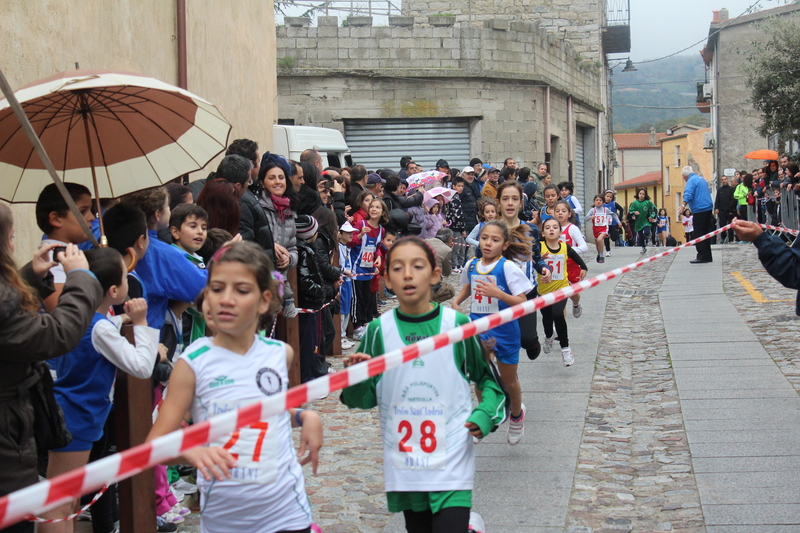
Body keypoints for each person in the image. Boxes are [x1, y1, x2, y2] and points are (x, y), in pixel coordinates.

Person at [146, 242, 323, 533]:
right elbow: (157, 444)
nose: (226, 299)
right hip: (227, 520)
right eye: (216, 288)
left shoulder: (280, 354)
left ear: (264, 301)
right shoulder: (193, 363)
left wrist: (304, 417)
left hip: (288, 512)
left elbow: (261, 411)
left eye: (241, 290)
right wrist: (192, 451)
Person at [341, 237, 507, 533]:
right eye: (397, 268)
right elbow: (361, 399)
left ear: (434, 275)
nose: (407, 274)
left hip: (452, 459)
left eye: (417, 266)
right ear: (387, 280)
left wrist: (484, 415)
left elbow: (489, 382)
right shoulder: (379, 331)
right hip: (405, 465)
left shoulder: (456, 325)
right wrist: (358, 376)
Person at [0, 204, 102, 533]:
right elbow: (58, 335)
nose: (14, 245)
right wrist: (81, 278)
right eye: (12, 238)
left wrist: (32, 275)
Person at [42, 248, 158, 533]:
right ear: (115, 290)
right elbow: (142, 366)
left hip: (68, 414)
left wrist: (122, 320)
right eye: (126, 276)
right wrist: (142, 322)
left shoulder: (77, 318)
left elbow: (100, 328)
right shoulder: (100, 330)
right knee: (59, 505)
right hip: (78, 419)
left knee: (64, 502)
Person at [453, 220, 533, 444]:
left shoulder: (507, 267)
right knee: (480, 377)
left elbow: (522, 301)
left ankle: (516, 415)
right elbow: (469, 285)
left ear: (505, 245)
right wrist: (457, 301)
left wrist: (498, 294)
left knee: (508, 381)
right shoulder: (472, 264)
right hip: (479, 327)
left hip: (505, 331)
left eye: (495, 240)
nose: (488, 243)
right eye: (484, 238)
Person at [123, 186, 208, 331]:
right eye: (168, 207)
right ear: (157, 215)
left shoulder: (120, 239)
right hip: (152, 332)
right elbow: (201, 288)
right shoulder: (162, 253)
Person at [495, 182, 550, 361]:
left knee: (526, 340)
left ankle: (532, 342)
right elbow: (481, 261)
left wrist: (544, 268)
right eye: (505, 199)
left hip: (525, 293)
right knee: (501, 344)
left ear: (521, 203)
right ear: (499, 203)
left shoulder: (531, 230)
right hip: (498, 295)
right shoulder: (490, 230)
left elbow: (536, 257)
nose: (510, 203)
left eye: (514, 199)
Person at [36, 182, 96, 311]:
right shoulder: (53, 260)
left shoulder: (68, 254)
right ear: (56, 219)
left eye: (91, 210)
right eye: (83, 211)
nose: (91, 217)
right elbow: (63, 311)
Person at [538, 218, 588, 367]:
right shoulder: (539, 247)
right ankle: (548, 336)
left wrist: (584, 268)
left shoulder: (565, 247)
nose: (551, 229)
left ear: (560, 232)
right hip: (543, 292)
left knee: (557, 314)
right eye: (547, 227)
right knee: (546, 318)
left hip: (561, 289)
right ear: (543, 232)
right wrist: (539, 259)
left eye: (555, 227)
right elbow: (530, 262)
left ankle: (566, 349)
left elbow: (578, 259)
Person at [216, 154, 275, 263]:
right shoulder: (241, 204)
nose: (249, 185)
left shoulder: (212, 195)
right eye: (249, 181)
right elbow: (245, 245)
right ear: (238, 186)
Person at [348, 198, 388, 340]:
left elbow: (376, 248)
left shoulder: (381, 230)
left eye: (377, 207)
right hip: (355, 270)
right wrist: (360, 235)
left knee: (367, 299)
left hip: (369, 270)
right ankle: (357, 326)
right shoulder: (360, 224)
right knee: (357, 300)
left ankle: (366, 324)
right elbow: (350, 242)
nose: (374, 209)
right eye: (372, 207)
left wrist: (377, 257)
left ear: (383, 212)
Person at [259, 157, 299, 271]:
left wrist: (290, 259)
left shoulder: (289, 210)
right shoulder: (258, 207)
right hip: (261, 273)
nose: (278, 182)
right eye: (272, 178)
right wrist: (269, 247)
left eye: (281, 178)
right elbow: (250, 240)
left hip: (281, 277)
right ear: (262, 183)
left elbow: (293, 247)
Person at [554, 201, 588, 317]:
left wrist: (568, 251)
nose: (560, 213)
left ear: (569, 214)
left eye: (563, 211)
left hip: (572, 266)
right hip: (557, 267)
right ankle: (559, 328)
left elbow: (584, 247)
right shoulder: (551, 227)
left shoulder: (572, 228)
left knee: (573, 294)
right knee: (560, 298)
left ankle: (576, 303)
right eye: (557, 211)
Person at [682, 166, 714, 263]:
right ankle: (708, 255)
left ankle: (701, 256)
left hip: (699, 209)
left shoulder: (691, 181)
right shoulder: (701, 179)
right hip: (708, 208)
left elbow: (688, 193)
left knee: (699, 233)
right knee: (706, 233)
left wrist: (683, 205)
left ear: (684, 176)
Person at [585, 195, 620, 264]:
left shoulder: (605, 210)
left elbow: (614, 214)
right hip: (595, 229)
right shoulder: (593, 210)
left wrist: (618, 222)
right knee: (597, 243)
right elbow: (585, 218)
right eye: (597, 200)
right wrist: (591, 217)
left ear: (603, 202)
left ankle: (601, 255)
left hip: (604, 228)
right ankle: (599, 253)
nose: (598, 202)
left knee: (599, 239)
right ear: (594, 202)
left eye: (600, 200)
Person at [338, 222, 357, 350]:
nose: (351, 235)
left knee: (347, 308)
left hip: (349, 281)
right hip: (342, 280)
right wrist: (345, 271)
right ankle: (341, 336)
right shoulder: (338, 247)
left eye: (351, 232)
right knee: (341, 309)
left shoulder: (347, 247)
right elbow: (338, 265)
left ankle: (344, 335)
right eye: (348, 232)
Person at [425, 228, 455, 303]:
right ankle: (430, 303)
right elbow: (447, 272)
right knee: (450, 290)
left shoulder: (425, 241)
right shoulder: (446, 250)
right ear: (449, 239)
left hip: (416, 279)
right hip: (431, 284)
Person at [445, 176, 467, 272]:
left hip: (459, 226)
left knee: (462, 246)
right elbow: (458, 215)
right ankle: (454, 266)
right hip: (454, 226)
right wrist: (463, 228)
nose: (461, 188)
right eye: (458, 186)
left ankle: (460, 264)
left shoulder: (457, 197)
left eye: (462, 186)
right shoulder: (453, 197)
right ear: (453, 186)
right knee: (456, 247)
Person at [629, 188, 656, 255]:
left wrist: (652, 216)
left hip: (646, 221)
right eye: (640, 194)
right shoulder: (634, 203)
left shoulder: (648, 202)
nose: (641, 195)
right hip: (638, 222)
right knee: (640, 236)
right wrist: (634, 212)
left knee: (646, 232)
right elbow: (630, 211)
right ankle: (643, 247)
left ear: (645, 195)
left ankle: (648, 234)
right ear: (638, 194)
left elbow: (654, 210)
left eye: (643, 194)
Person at [715, 175, 736, 244]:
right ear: (721, 181)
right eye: (722, 180)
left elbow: (733, 200)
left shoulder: (731, 189)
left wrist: (731, 210)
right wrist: (716, 208)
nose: (724, 181)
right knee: (722, 225)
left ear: (727, 180)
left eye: (725, 179)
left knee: (730, 225)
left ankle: (730, 239)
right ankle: (723, 238)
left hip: (729, 210)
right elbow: (717, 200)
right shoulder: (719, 190)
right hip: (722, 211)